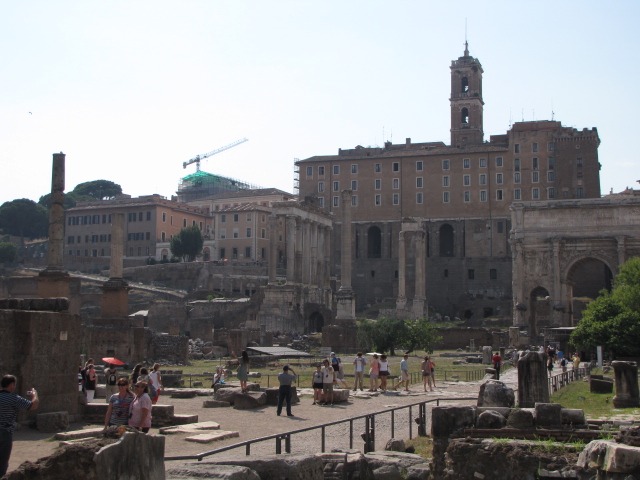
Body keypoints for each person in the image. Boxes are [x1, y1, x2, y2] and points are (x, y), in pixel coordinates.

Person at [0, 375, 39, 477]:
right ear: (12, 385)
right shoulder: (13, 398)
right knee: (3, 462)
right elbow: (33, 405)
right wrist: (35, 395)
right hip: (5, 433)